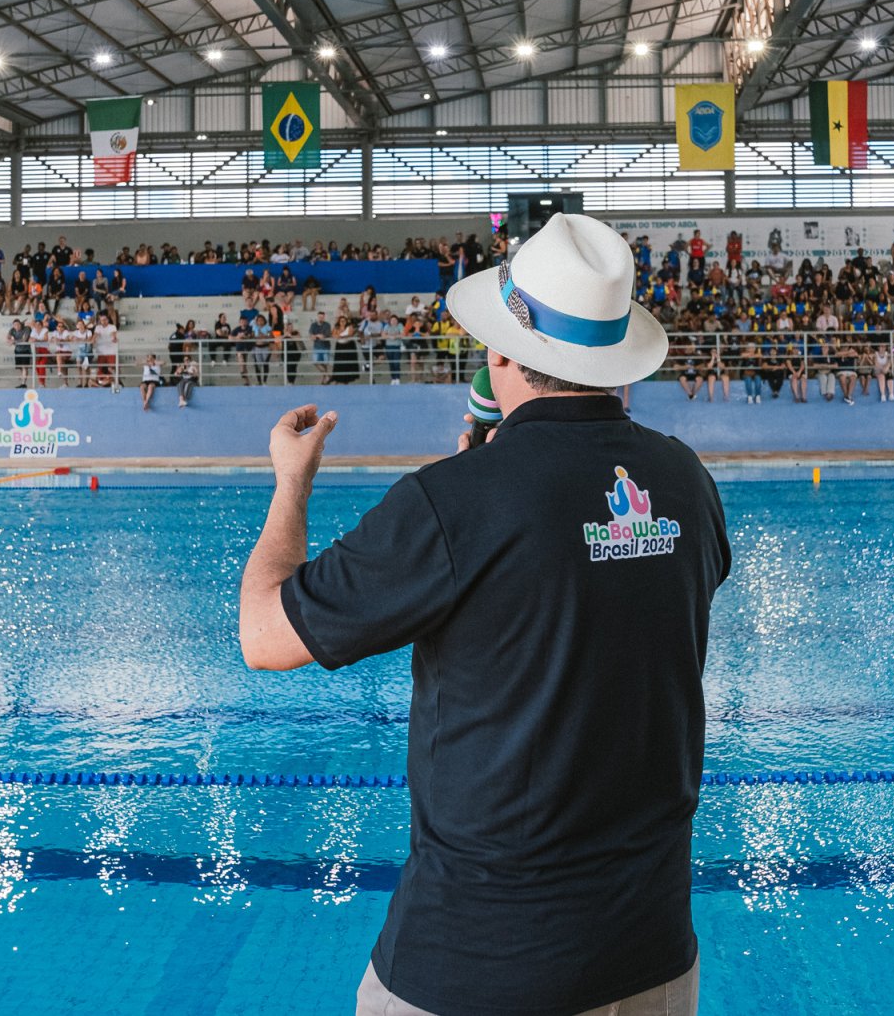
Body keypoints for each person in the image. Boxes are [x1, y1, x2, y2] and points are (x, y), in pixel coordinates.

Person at [236, 212, 725, 1016]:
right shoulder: (686, 484)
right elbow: (593, 601)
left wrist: (292, 480)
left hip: (477, 972)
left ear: (502, 351)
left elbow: (264, 634)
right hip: (655, 964)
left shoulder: (451, 504)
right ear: (612, 360)